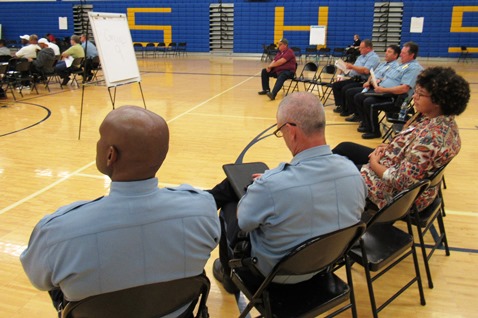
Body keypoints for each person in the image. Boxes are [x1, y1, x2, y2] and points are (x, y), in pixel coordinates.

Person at [20, 106, 221, 316]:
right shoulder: (203, 210)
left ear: (110, 155)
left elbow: (39, 280)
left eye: (100, 137)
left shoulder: (57, 232)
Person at [208, 92, 366, 293]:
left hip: (276, 276)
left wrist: (261, 188)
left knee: (230, 207)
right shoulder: (352, 171)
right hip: (327, 261)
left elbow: (245, 223)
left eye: (280, 132)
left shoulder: (272, 185)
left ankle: (229, 278)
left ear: (291, 131)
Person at [333, 66, 470, 218]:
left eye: (420, 94)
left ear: (438, 101)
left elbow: (401, 181)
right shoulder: (437, 119)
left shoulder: (432, 137)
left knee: (337, 175)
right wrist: (389, 147)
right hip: (395, 166)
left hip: (399, 196)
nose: (414, 97)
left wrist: (374, 163)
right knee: (345, 149)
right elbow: (411, 147)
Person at [353, 42, 423, 139]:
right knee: (359, 97)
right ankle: (366, 124)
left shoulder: (414, 68)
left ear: (412, 55)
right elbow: (387, 78)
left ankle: (374, 131)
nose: (401, 55)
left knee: (369, 102)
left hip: (395, 98)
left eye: (403, 53)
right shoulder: (402, 65)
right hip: (383, 92)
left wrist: (383, 88)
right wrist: (377, 82)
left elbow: (404, 88)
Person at [343, 44, 401, 123]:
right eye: (386, 51)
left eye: (389, 52)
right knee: (351, 92)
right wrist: (368, 81)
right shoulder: (383, 64)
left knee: (359, 96)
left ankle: (365, 121)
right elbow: (373, 73)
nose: (386, 53)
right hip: (370, 85)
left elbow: (384, 79)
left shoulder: (395, 67)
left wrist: (373, 82)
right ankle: (360, 117)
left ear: (395, 55)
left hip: (379, 89)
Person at [331, 39, 380, 116]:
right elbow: (355, 68)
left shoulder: (373, 58)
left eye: (361, 48)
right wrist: (345, 68)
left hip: (362, 81)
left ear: (368, 48)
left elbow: (366, 70)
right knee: (336, 85)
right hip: (353, 77)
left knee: (346, 89)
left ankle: (350, 110)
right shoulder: (361, 56)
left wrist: (352, 66)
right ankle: (342, 105)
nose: (359, 49)